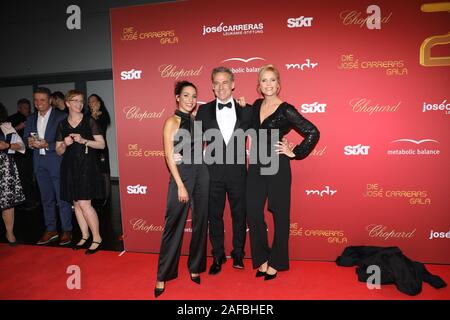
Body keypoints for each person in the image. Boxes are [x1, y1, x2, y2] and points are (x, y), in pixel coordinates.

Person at [246, 64, 320, 280]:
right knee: (253, 212)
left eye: (272, 80)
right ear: (258, 86)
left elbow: (312, 132)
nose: (268, 84)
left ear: (278, 84)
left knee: (280, 213)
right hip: (257, 165)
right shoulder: (256, 105)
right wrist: (242, 104)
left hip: (278, 164)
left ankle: (277, 261)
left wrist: (294, 152)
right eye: (263, 80)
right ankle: (262, 258)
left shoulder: (286, 109)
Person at [195, 67, 253, 275]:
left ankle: (238, 253)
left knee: (240, 216)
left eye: (225, 82)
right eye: (217, 83)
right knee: (214, 217)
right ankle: (217, 255)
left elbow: (263, 132)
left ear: (233, 84)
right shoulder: (203, 111)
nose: (221, 87)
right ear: (212, 86)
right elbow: (194, 142)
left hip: (239, 174)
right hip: (212, 175)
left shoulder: (247, 109)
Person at [154, 81, 209, 298]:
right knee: (173, 225)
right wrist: (180, 185)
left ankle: (195, 267)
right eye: (186, 95)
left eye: (194, 96)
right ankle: (162, 275)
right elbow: (169, 155)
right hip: (182, 177)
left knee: (200, 223)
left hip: (202, 174)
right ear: (177, 97)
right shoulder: (171, 121)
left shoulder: (196, 122)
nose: (190, 100)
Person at [55, 90, 106, 255]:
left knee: (85, 203)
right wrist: (65, 143)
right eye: (75, 101)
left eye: (81, 101)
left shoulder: (89, 121)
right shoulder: (62, 124)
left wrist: (84, 140)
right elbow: (59, 151)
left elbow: (101, 145)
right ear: (68, 103)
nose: (79, 104)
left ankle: (97, 237)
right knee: (76, 203)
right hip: (69, 167)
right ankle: (84, 236)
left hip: (87, 166)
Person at [24, 87, 73, 246]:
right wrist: (30, 143)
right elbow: (26, 138)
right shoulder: (31, 118)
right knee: (46, 199)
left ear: (50, 100)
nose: (38, 103)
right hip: (39, 163)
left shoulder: (62, 116)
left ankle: (66, 229)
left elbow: (68, 140)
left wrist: (48, 144)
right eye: (36, 100)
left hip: (57, 161)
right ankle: (51, 229)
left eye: (42, 100)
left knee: (62, 198)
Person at [0, 103, 26, 246]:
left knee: (7, 204)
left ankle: (10, 234)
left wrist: (7, 145)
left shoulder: (6, 127)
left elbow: (21, 146)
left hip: (5, 169)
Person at [87, 94, 111, 204]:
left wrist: (94, 116)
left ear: (99, 103)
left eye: (93, 101)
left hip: (101, 149)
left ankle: (106, 198)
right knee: (92, 173)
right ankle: (95, 197)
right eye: (89, 101)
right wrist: (92, 115)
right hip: (90, 148)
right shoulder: (87, 116)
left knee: (104, 172)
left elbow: (99, 130)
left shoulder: (104, 116)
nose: (91, 103)